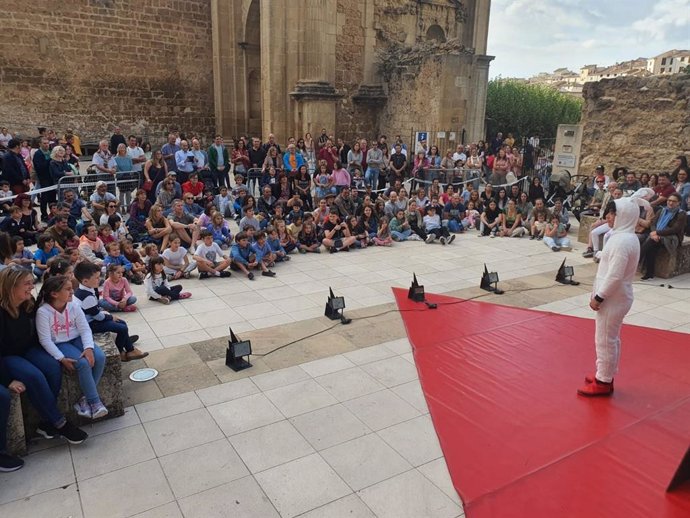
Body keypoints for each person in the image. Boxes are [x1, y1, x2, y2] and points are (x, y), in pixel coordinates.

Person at [0, 268, 88, 447]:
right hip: (7, 356)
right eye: (27, 283)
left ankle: (47, 421)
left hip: (29, 349)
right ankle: (59, 422)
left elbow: (51, 306)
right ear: (11, 286)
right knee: (35, 376)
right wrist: (7, 380)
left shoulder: (28, 303)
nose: (32, 287)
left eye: (32, 282)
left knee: (52, 367)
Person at [578, 198, 641, 397]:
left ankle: (603, 381)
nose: (608, 217)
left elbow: (615, 275)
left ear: (623, 216)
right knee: (609, 338)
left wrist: (599, 297)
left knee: (605, 339)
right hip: (616, 297)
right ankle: (604, 373)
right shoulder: (623, 237)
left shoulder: (623, 241)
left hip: (613, 298)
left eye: (612, 213)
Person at [36, 275, 108, 419]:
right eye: (68, 289)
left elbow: (85, 329)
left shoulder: (74, 306)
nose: (72, 292)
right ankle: (94, 402)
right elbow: (45, 340)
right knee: (82, 363)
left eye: (72, 289)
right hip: (60, 343)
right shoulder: (43, 312)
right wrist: (61, 358)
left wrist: (88, 348)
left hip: (77, 339)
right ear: (54, 293)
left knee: (100, 357)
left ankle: (84, 399)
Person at [74, 261, 146, 362]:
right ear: (85, 281)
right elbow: (97, 316)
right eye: (96, 278)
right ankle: (122, 351)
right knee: (121, 328)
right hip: (89, 324)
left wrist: (105, 314)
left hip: (92, 318)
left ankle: (129, 348)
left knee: (122, 323)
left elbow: (95, 310)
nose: (99, 280)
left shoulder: (86, 289)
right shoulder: (86, 296)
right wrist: (110, 317)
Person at [639, 193, 687, 280]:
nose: (671, 203)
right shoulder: (661, 210)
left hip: (672, 237)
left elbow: (675, 229)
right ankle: (649, 274)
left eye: (674, 201)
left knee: (650, 241)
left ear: (678, 203)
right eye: (669, 200)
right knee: (651, 246)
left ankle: (637, 261)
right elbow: (653, 223)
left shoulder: (681, 214)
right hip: (657, 235)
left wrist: (657, 232)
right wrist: (654, 232)